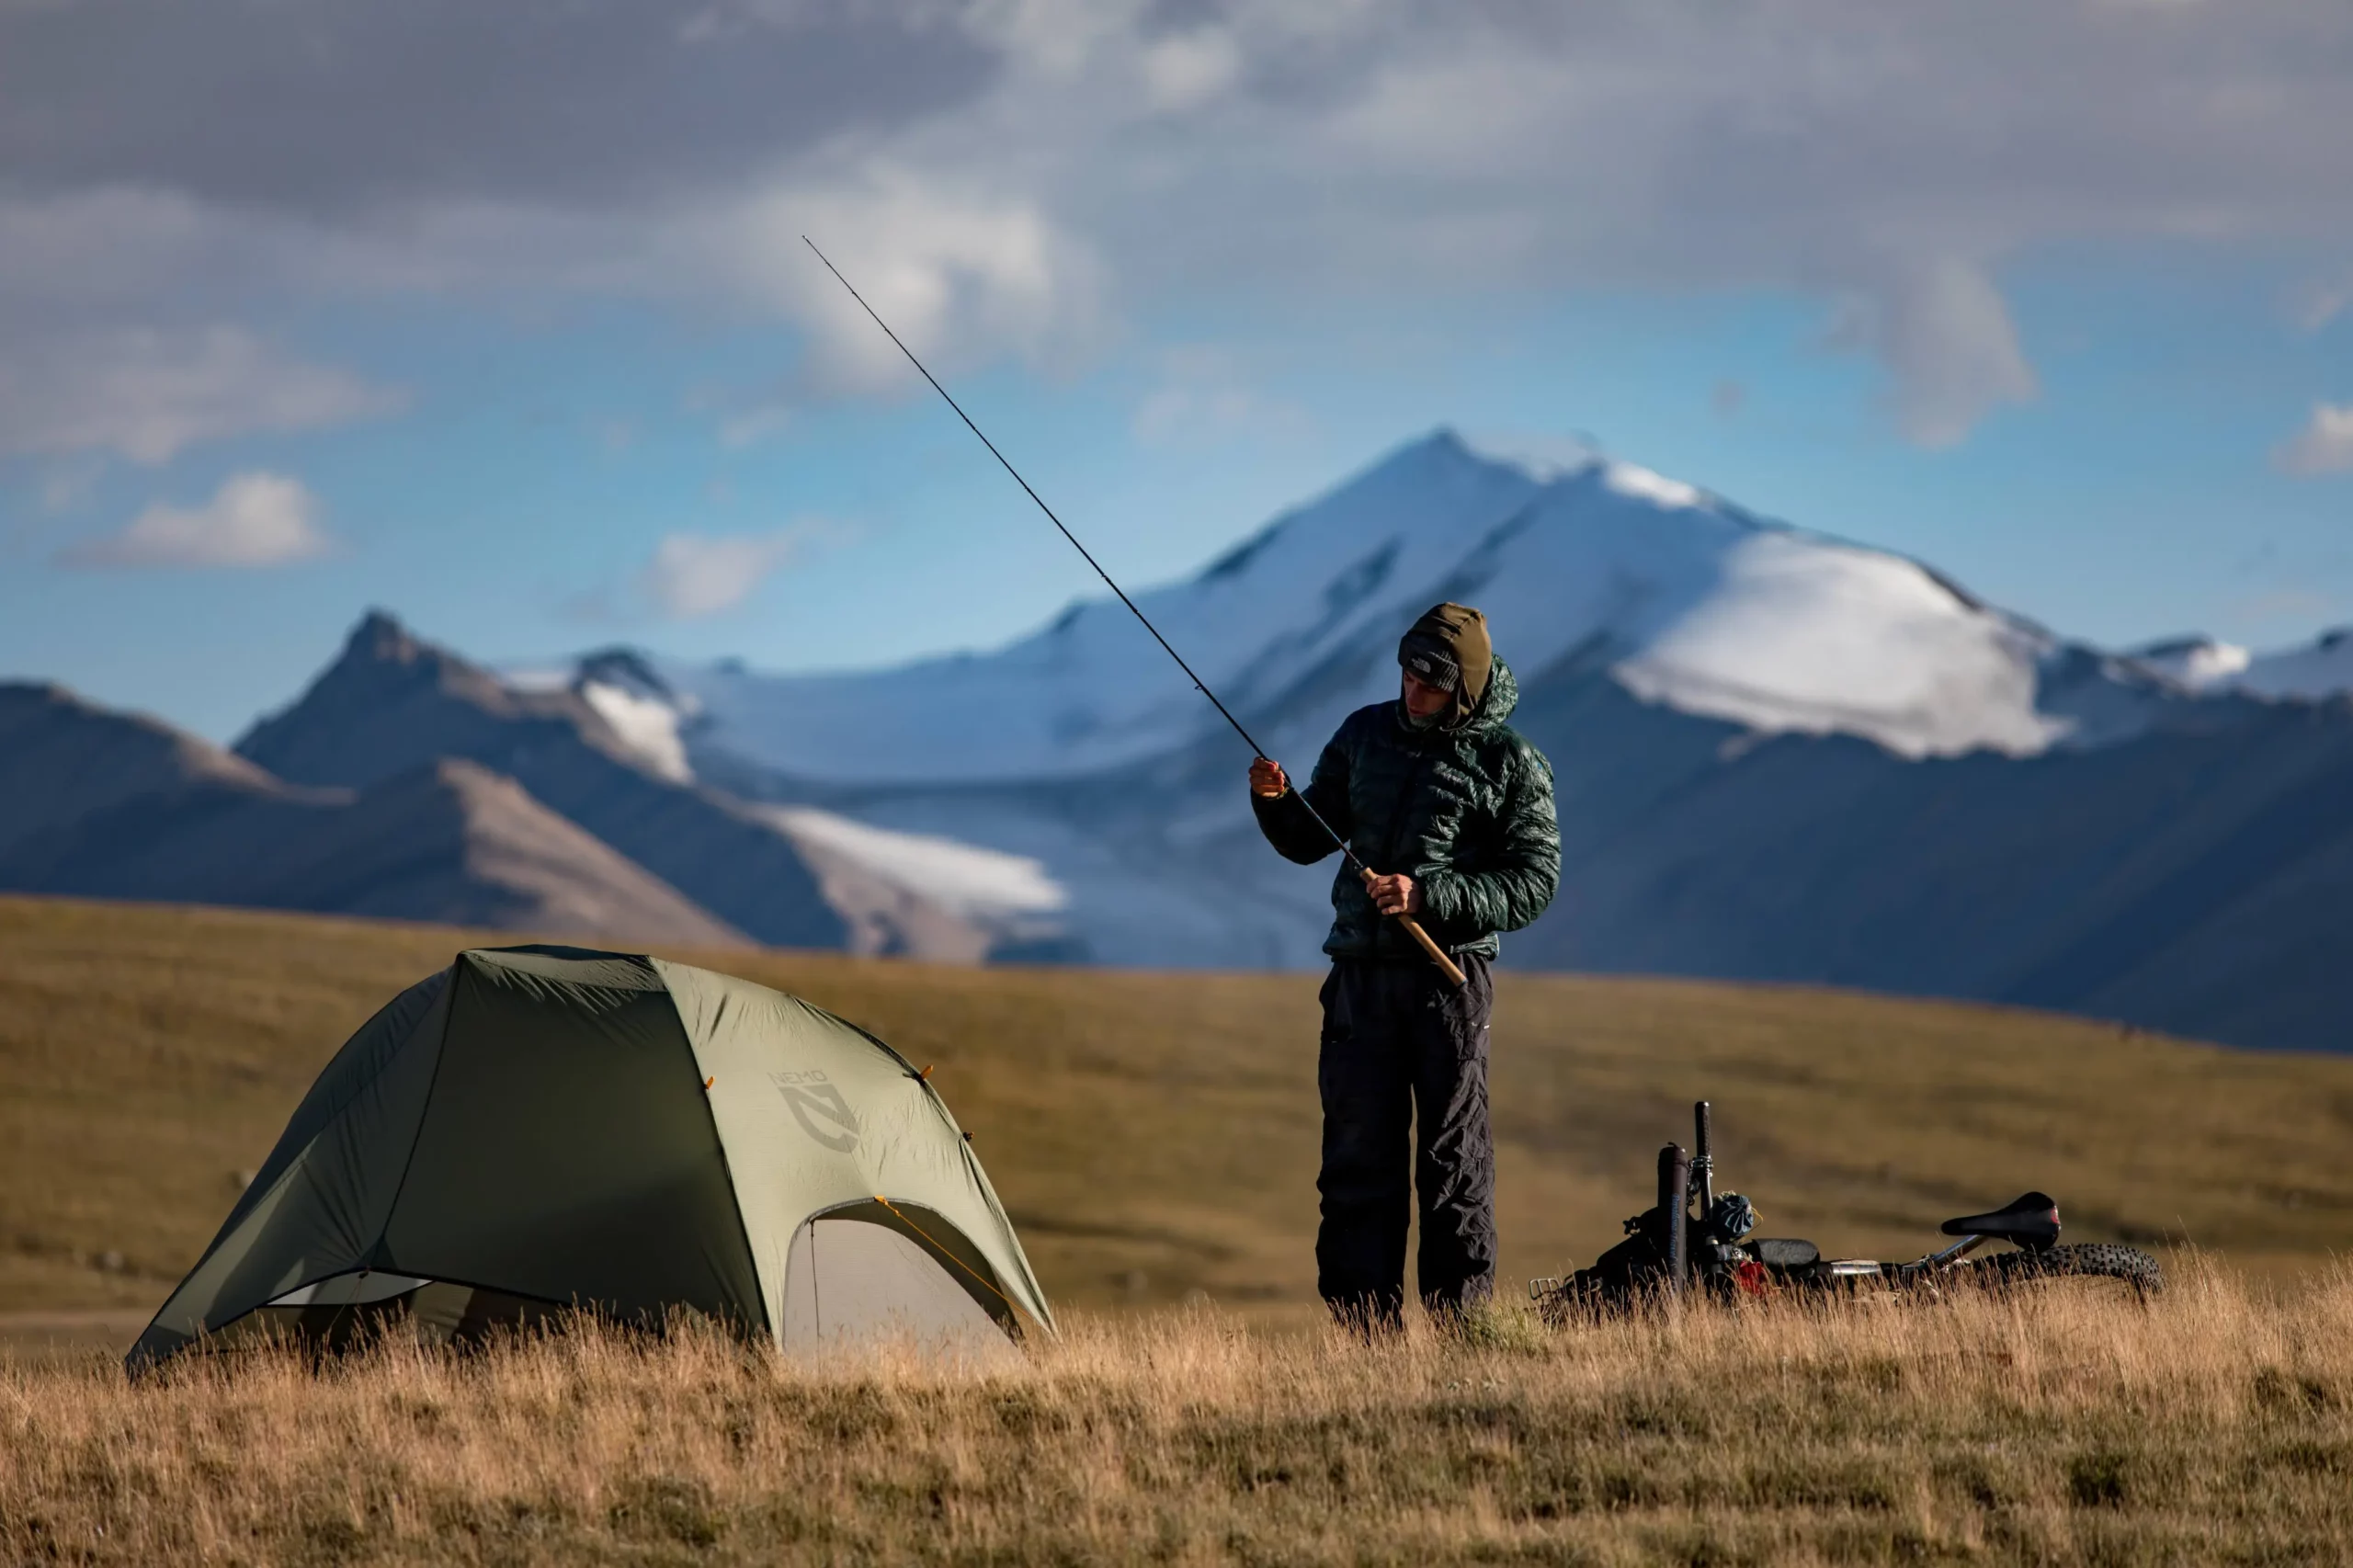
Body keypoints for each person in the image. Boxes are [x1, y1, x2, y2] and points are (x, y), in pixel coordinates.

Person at [1248, 602, 1560, 1332]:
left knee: (1453, 1164)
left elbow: (1534, 882)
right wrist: (1275, 802)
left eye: (1432, 682)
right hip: (1358, 981)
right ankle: (1365, 1339)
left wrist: (1428, 896)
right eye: (1407, 674)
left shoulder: (1510, 763)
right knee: (1356, 1162)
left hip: (1448, 984)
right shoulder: (1363, 735)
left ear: (1466, 687)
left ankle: (1462, 1333)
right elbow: (1308, 838)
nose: (1413, 691)